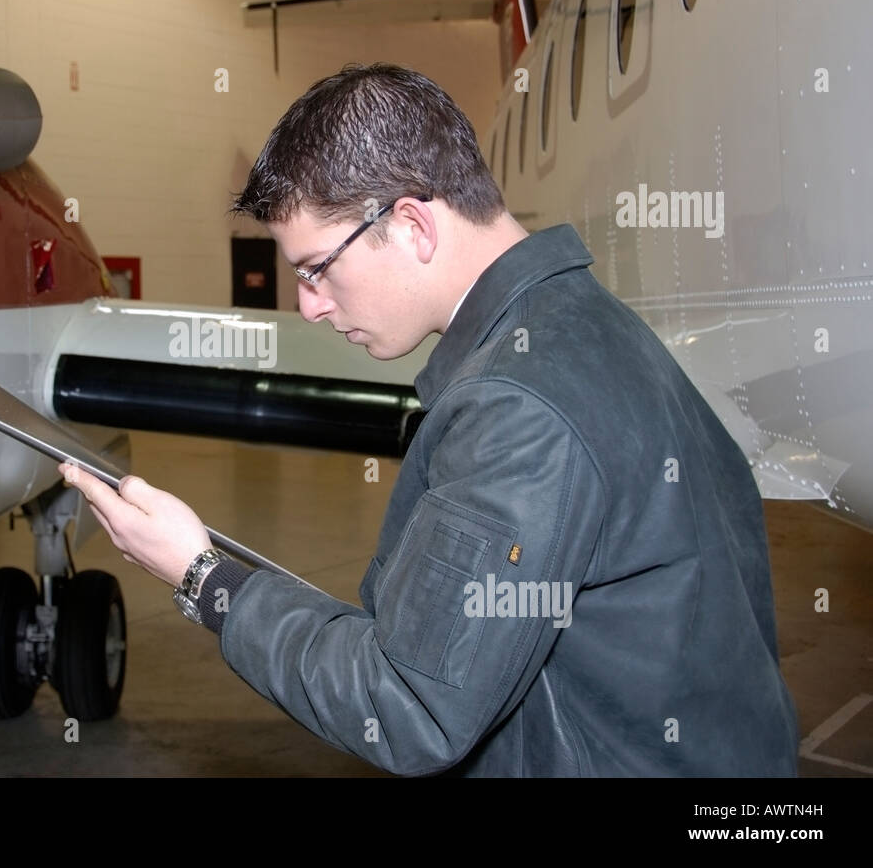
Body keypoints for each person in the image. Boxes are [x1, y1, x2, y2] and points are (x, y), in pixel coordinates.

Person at [59, 63, 799, 776]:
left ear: (412, 224)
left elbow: (409, 705)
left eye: (317, 268)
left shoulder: (519, 404)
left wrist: (200, 575)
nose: (309, 305)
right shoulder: (588, 327)